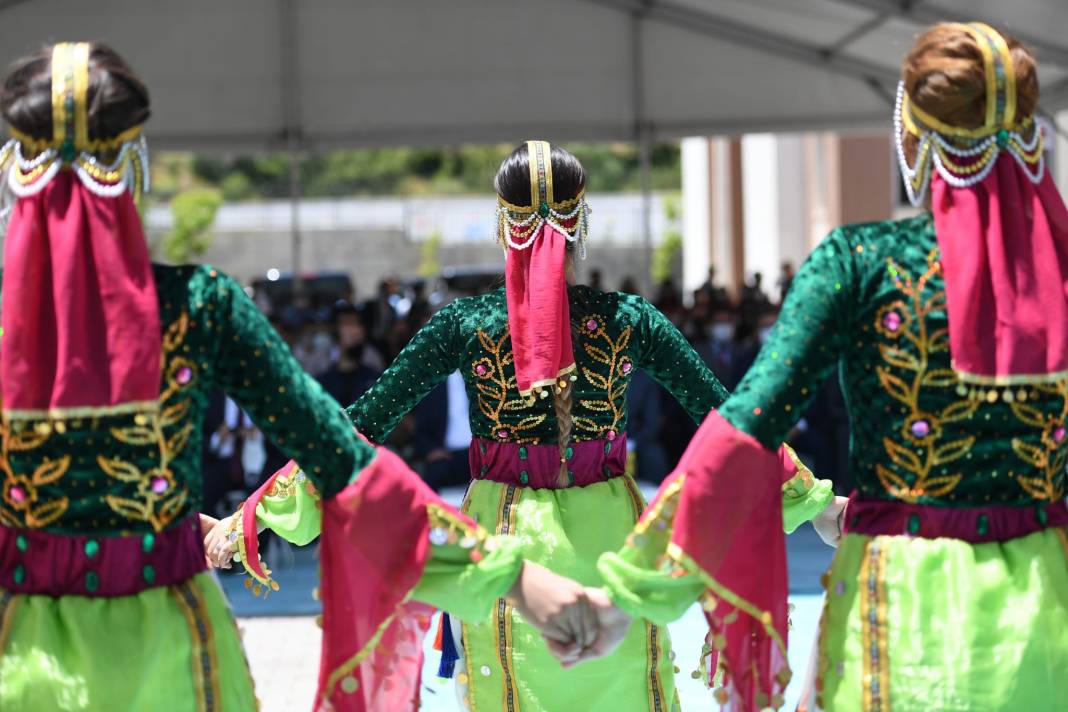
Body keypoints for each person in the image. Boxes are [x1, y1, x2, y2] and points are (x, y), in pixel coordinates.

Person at [0, 43, 587, 712]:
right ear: (134, 167)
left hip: (19, 654)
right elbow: (345, 462)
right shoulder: (200, 305)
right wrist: (513, 579)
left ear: (15, 170)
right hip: (170, 650)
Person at [219, 141, 838, 712]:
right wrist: (815, 502)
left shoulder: (464, 325)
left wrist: (254, 516)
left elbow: (356, 427)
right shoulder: (630, 318)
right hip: (612, 543)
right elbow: (732, 421)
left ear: (502, 223)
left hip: (506, 548)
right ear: (580, 222)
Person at [592, 23, 1068, 711]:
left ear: (914, 139)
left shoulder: (859, 262)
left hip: (902, 603)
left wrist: (631, 592)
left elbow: (747, 427)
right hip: (1049, 604)